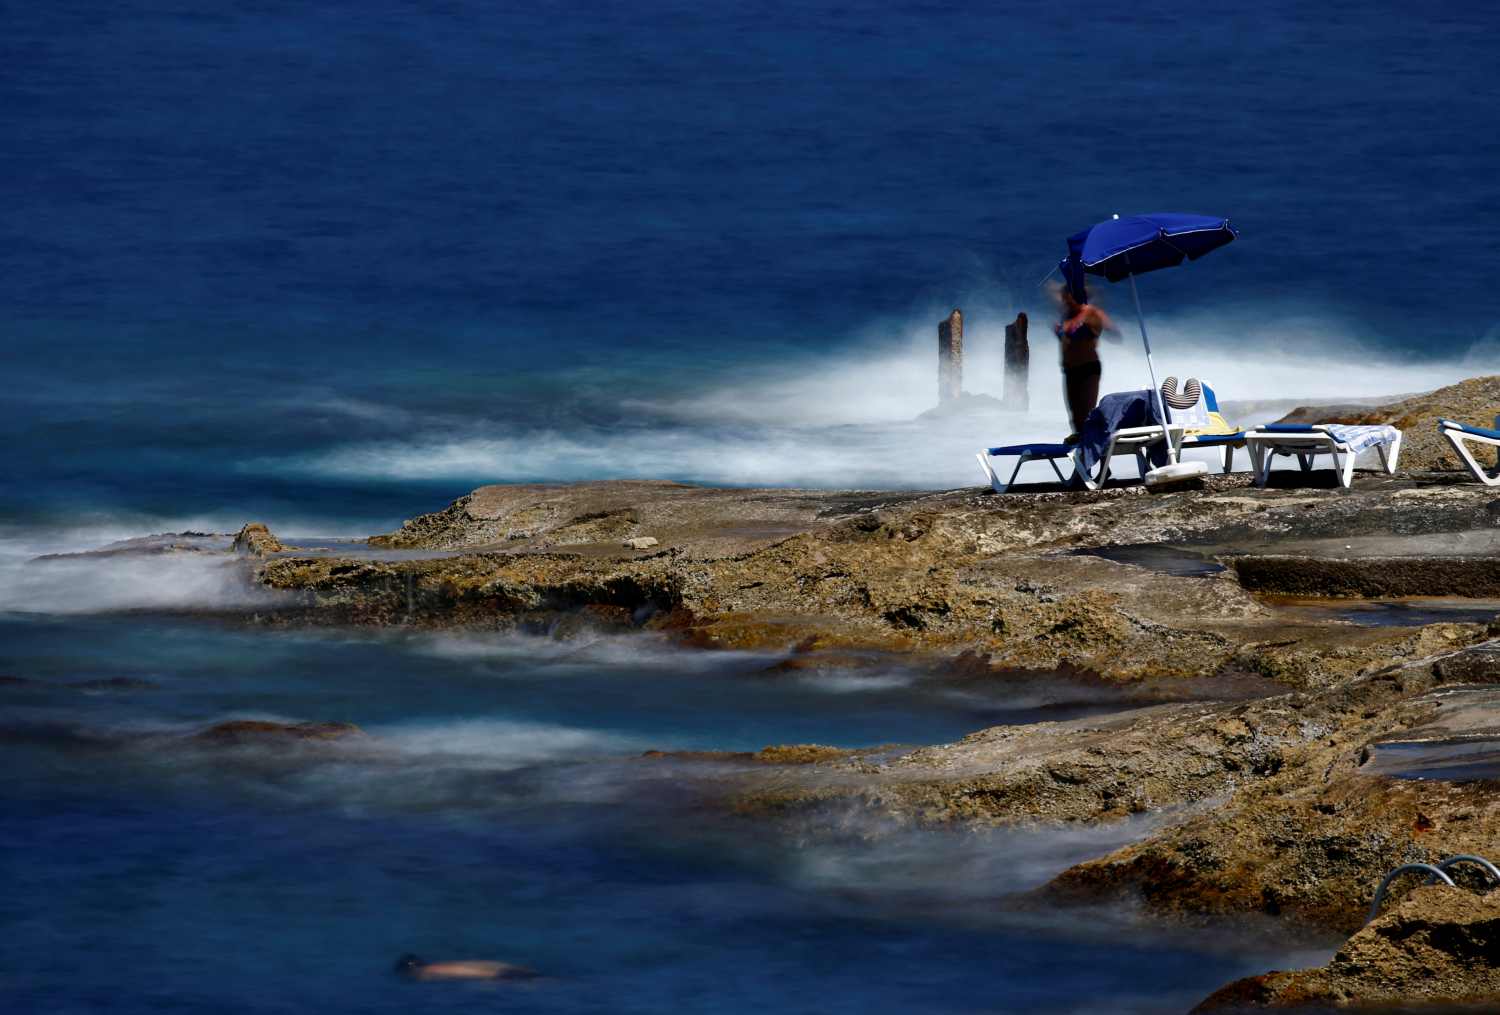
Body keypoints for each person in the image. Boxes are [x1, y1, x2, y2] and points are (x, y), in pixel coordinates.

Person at [1053, 285, 1119, 439]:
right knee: (1075, 416)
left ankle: (1096, 448)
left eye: (1066, 297)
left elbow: (1112, 331)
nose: (1064, 301)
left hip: (1088, 368)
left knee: (1087, 414)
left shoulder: (1091, 312)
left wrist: (1089, 330)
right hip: (1070, 369)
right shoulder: (1066, 315)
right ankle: (1082, 454)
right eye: (1063, 298)